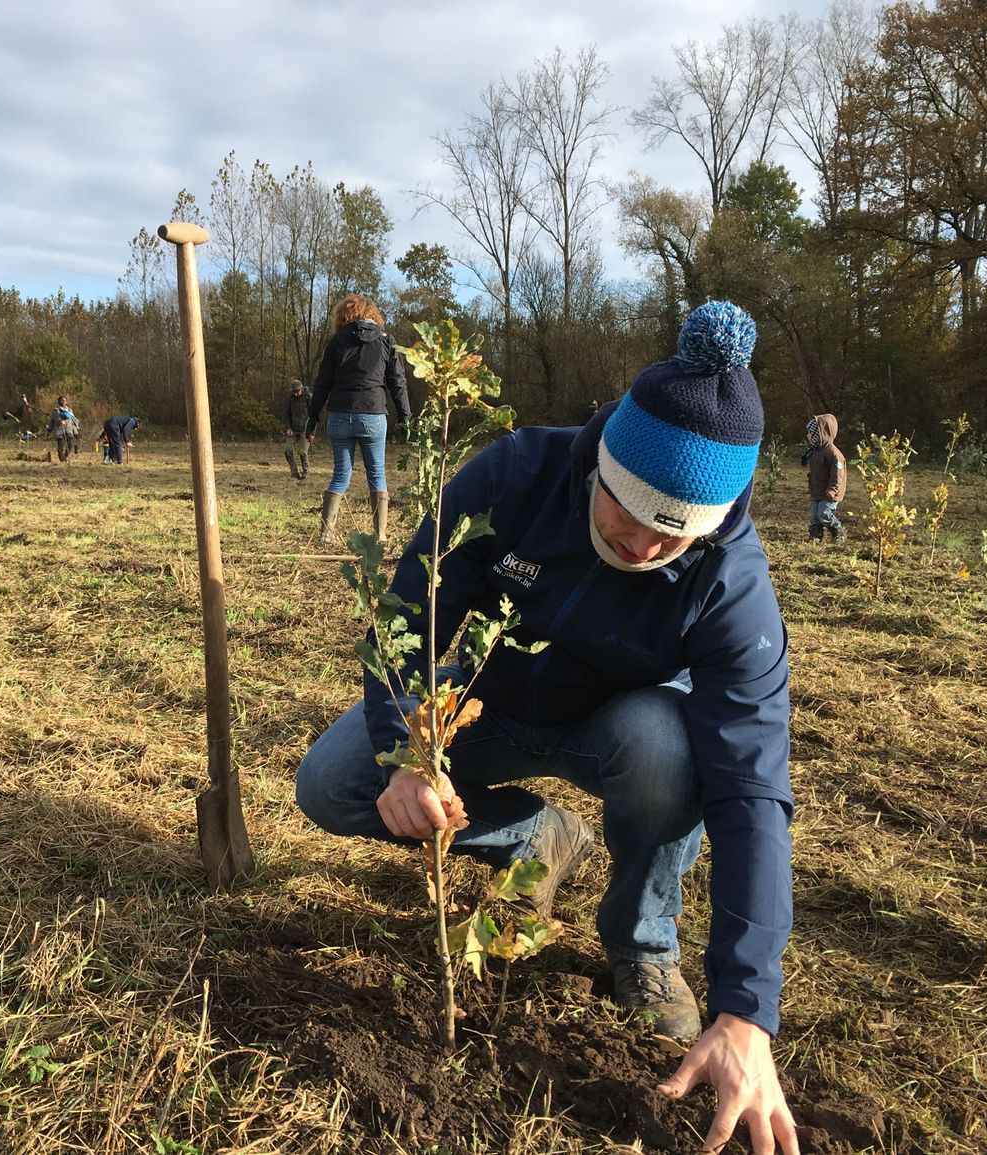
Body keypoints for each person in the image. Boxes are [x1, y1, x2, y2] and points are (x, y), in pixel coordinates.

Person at [296, 301, 799, 1155]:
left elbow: (752, 788)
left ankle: (642, 940)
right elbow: (403, 624)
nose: (641, 545)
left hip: (621, 728)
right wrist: (405, 755)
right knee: (333, 782)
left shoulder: (731, 582)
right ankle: (534, 836)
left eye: (672, 533)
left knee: (672, 750)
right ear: (598, 462)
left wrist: (746, 1006)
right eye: (626, 509)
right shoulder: (519, 473)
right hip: (489, 701)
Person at [306, 293, 411, 546]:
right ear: (373, 314)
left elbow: (323, 382)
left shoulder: (337, 341)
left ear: (344, 315)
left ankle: (326, 533)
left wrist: (312, 415)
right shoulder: (387, 341)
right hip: (373, 415)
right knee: (377, 474)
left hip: (340, 415)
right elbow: (397, 383)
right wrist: (406, 417)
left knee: (340, 473)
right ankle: (381, 535)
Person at [804, 414, 846, 543]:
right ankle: (815, 536)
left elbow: (838, 475)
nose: (808, 436)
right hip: (818, 490)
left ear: (821, 433)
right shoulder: (816, 451)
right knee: (815, 516)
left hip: (829, 493)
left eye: (811, 433)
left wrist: (832, 490)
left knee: (824, 514)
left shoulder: (833, 453)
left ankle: (838, 530)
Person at [280, 378, 311, 481]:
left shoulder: (308, 397)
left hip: (305, 429)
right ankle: (294, 472)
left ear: (301, 389)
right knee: (288, 450)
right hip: (292, 428)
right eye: (294, 392)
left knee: (302, 452)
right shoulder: (290, 398)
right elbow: (287, 414)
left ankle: (305, 472)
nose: (296, 394)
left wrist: (312, 432)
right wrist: (288, 427)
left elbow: (314, 416)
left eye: (297, 391)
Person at [48, 395, 80, 462]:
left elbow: (73, 421)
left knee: (70, 445)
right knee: (60, 446)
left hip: (69, 430)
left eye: (65, 400)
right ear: (59, 401)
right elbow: (52, 420)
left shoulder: (69, 410)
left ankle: (66, 455)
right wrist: (49, 429)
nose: (64, 401)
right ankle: (62, 459)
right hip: (59, 430)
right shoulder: (56, 410)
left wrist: (76, 432)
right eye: (62, 400)